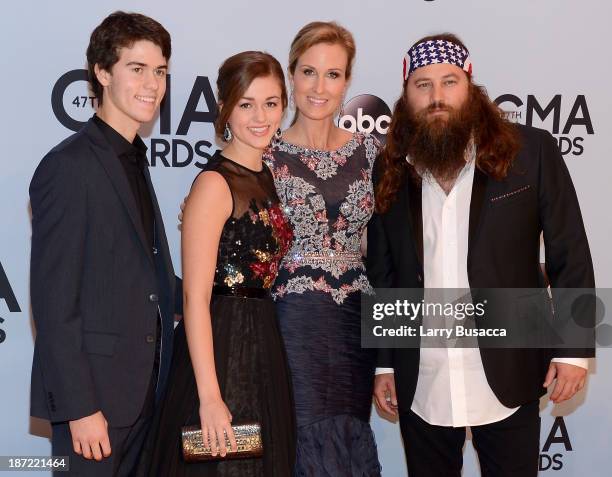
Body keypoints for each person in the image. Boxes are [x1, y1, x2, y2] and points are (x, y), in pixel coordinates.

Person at [368, 33, 595, 477]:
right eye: (422, 84)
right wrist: (383, 360)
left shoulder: (532, 151)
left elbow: (570, 251)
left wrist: (573, 350)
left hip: (508, 370)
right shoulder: (391, 165)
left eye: (449, 81)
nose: (437, 97)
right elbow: (385, 272)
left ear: (470, 86)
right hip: (422, 377)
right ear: (406, 95)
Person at [29, 11, 181, 476]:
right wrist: (79, 408)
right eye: (137, 69)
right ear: (102, 71)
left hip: (144, 396)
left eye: (160, 71)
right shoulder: (70, 166)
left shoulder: (134, 158)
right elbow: (54, 304)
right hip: (95, 406)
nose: (152, 84)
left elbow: (142, 276)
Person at [142, 51, 296, 476]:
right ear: (226, 109)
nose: (260, 116)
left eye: (271, 102)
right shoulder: (214, 184)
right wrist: (210, 395)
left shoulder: (267, 176)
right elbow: (194, 297)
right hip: (220, 346)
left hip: (263, 342)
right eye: (246, 104)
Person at [264, 21, 381, 476]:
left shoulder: (371, 153)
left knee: (350, 433)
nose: (319, 87)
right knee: (300, 433)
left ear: (347, 81)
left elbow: (390, 247)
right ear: (291, 75)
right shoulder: (264, 155)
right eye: (309, 72)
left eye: (333, 75)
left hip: (356, 320)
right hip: (292, 322)